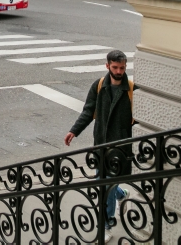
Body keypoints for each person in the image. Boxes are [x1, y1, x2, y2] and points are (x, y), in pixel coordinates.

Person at [64, 50, 136, 239]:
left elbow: (139, 119)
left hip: (120, 147)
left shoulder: (131, 89)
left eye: (122, 68)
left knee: (105, 186)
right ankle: (121, 194)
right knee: (104, 183)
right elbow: (88, 111)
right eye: (115, 67)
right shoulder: (99, 86)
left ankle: (106, 225)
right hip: (101, 144)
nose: (119, 71)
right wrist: (74, 131)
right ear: (107, 66)